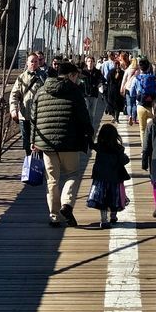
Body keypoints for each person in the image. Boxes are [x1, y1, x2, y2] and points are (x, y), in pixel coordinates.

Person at [30, 60, 94, 227]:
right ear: (71, 75)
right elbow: (83, 116)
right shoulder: (75, 91)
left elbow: (33, 118)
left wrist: (32, 141)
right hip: (70, 142)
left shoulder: (41, 90)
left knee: (52, 180)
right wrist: (89, 134)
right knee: (72, 174)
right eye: (76, 76)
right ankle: (66, 204)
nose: (77, 80)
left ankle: (54, 216)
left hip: (46, 144)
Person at [90, 121, 130, 228]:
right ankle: (113, 215)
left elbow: (90, 144)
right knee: (114, 198)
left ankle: (104, 220)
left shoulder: (99, 147)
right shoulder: (118, 148)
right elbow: (124, 160)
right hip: (115, 178)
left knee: (102, 199)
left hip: (101, 178)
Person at [9, 52, 44, 156]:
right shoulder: (21, 78)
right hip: (25, 116)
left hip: (39, 116)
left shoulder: (44, 77)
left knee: (40, 143)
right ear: (27, 63)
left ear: (38, 63)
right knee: (26, 143)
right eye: (31, 61)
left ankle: (39, 165)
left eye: (36, 61)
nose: (34, 63)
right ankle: (30, 164)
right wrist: (13, 110)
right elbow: (14, 95)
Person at [132, 56, 156, 139]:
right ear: (149, 67)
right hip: (152, 106)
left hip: (140, 106)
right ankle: (152, 145)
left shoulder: (136, 79)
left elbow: (131, 93)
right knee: (153, 128)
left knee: (142, 129)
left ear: (139, 67)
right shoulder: (154, 79)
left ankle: (144, 149)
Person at [80, 55, 104, 130]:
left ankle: (91, 127)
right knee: (86, 111)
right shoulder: (83, 72)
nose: (90, 63)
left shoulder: (97, 72)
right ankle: (86, 127)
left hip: (94, 94)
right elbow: (80, 82)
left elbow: (102, 79)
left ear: (94, 62)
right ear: (86, 63)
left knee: (92, 113)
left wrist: (99, 84)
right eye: (88, 61)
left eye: (91, 61)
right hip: (85, 94)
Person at [104, 56, 125, 123]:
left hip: (111, 90)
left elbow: (107, 79)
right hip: (119, 90)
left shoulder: (110, 72)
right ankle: (117, 118)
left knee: (111, 104)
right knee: (118, 105)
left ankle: (114, 117)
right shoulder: (122, 72)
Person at [121, 57, 140, 126]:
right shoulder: (138, 70)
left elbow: (124, 79)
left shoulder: (128, 69)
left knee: (129, 104)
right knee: (134, 104)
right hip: (135, 89)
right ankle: (134, 119)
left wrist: (122, 88)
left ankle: (129, 116)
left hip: (128, 88)